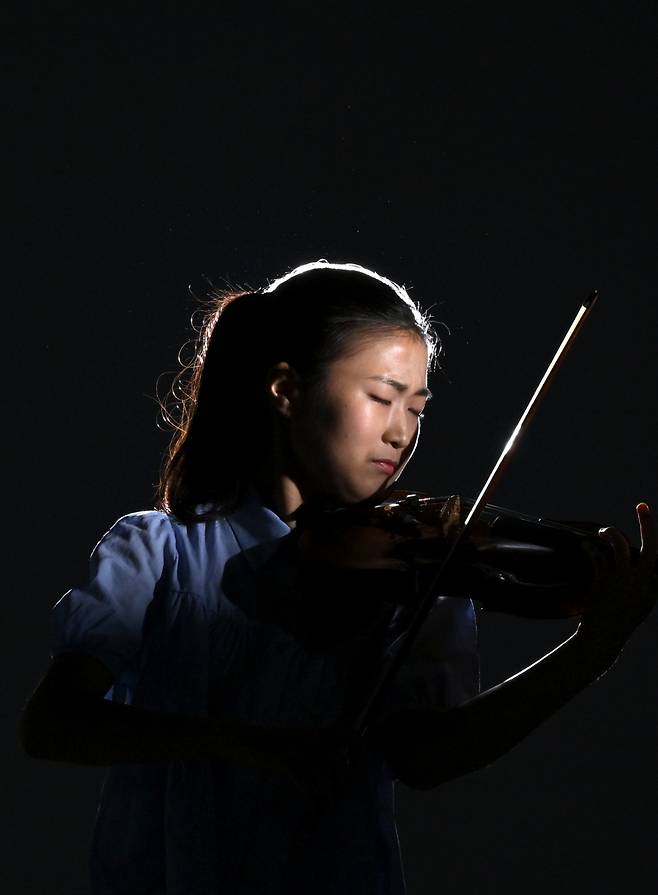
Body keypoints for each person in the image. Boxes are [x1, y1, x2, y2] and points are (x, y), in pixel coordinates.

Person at [20, 261, 656, 895]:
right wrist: (250, 745)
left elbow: (429, 755)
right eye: (380, 397)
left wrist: (592, 648)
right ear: (286, 389)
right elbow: (55, 723)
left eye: (417, 407)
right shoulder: (157, 551)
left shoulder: (408, 566)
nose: (401, 432)